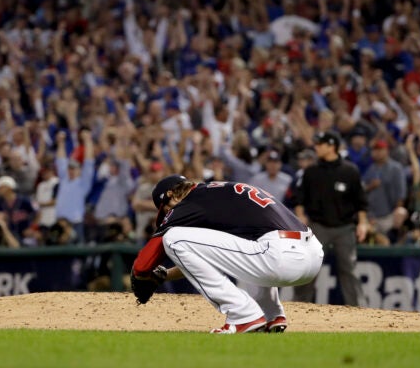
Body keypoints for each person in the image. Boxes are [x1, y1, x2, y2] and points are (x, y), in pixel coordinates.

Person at [131, 174, 324, 334]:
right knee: (249, 244)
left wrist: (141, 275)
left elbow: (143, 264)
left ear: (171, 195)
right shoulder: (217, 194)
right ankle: (271, 315)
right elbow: (210, 256)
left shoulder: (188, 202)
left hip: (279, 256)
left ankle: (243, 315)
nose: (167, 215)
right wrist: (165, 275)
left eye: (165, 210)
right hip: (311, 253)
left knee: (172, 237)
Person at [292, 131, 370, 306]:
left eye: (320, 144)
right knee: (310, 267)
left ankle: (357, 309)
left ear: (331, 146)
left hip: (344, 227)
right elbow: (298, 198)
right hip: (318, 226)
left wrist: (362, 223)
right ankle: (299, 306)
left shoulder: (350, 171)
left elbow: (361, 202)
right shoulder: (311, 172)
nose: (316, 147)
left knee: (349, 269)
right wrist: (301, 216)